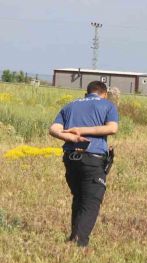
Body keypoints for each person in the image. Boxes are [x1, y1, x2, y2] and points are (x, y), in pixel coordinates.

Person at [48, 81, 119, 248]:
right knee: (91, 200)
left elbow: (53, 129)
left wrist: (70, 137)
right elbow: (112, 128)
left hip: (70, 159)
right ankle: (79, 244)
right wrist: (81, 130)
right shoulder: (107, 105)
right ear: (105, 93)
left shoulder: (70, 105)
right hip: (92, 158)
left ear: (86, 93)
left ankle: (73, 237)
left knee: (79, 197)